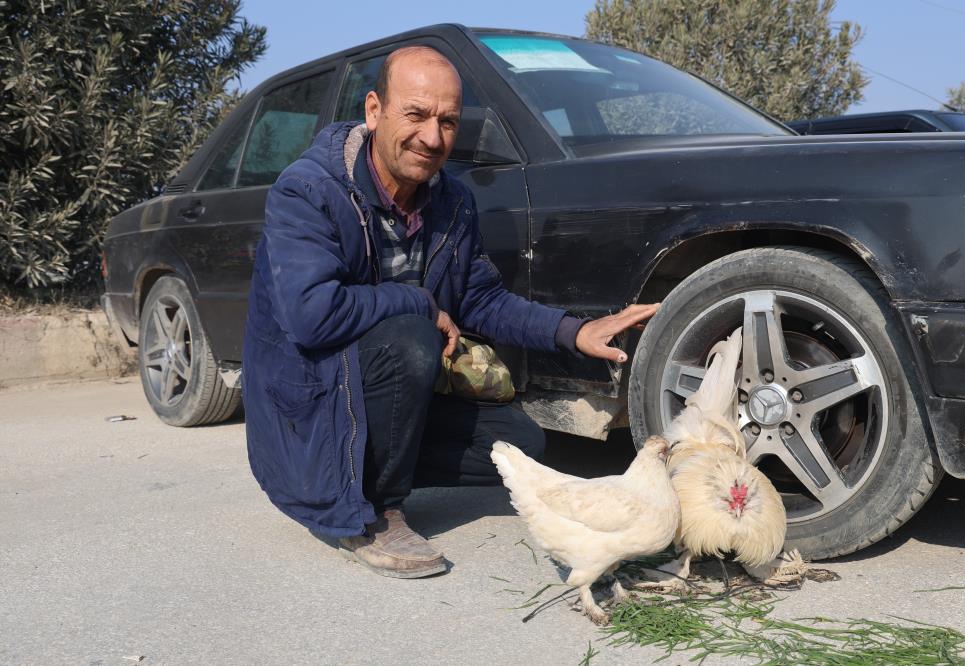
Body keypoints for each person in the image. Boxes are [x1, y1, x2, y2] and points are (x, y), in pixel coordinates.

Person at [242, 45, 658, 578]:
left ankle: (364, 466)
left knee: (519, 444)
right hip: (315, 402)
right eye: (415, 115)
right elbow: (311, 314)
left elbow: (481, 299)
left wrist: (573, 332)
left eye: (448, 121)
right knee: (412, 337)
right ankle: (376, 511)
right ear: (375, 111)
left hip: (381, 393)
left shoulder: (451, 202)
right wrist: (418, 301)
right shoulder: (309, 191)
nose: (433, 138)